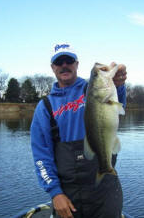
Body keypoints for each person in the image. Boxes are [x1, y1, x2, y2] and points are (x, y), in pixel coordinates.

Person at [31, 43, 129, 218]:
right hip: (68, 194)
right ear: (53, 67)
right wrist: (55, 192)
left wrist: (119, 85)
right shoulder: (44, 107)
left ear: (76, 64)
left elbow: (115, 106)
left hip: (105, 190)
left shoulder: (91, 89)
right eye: (59, 62)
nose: (64, 65)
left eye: (69, 60)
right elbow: (41, 156)